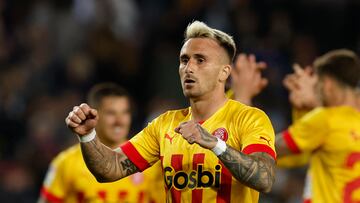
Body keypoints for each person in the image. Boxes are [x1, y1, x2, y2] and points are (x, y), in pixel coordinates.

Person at [65, 21, 276, 203]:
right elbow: (109, 168)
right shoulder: (165, 124)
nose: (189, 68)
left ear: (224, 72)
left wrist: (215, 144)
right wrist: (87, 135)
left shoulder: (249, 118)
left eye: (200, 60)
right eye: (185, 60)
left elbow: (265, 179)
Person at [39, 83, 165, 203]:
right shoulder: (66, 163)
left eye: (125, 112)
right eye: (111, 113)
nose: (119, 121)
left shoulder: (148, 160)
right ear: (94, 115)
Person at [275, 49, 360, 202]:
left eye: (318, 85)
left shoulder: (324, 119)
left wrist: (243, 98)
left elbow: (269, 148)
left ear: (327, 84)